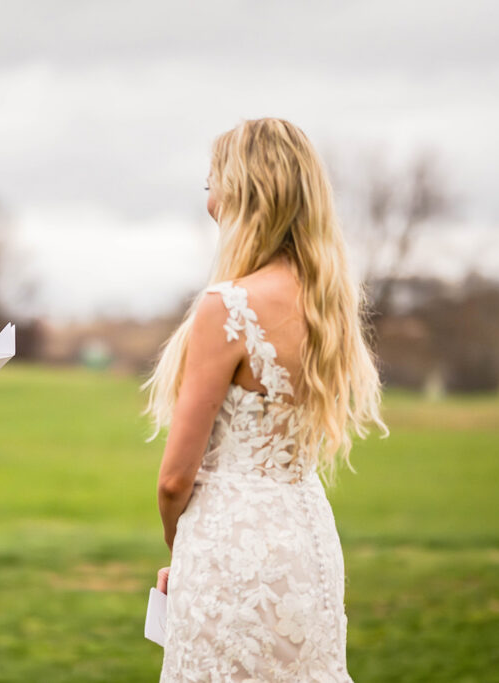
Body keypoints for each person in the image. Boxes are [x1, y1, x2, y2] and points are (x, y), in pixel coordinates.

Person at [144, 118, 387, 681]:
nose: (208, 199)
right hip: (307, 540)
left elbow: (175, 479)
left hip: (230, 546)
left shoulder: (228, 306)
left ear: (244, 191)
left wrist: (181, 546)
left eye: (212, 181)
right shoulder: (329, 303)